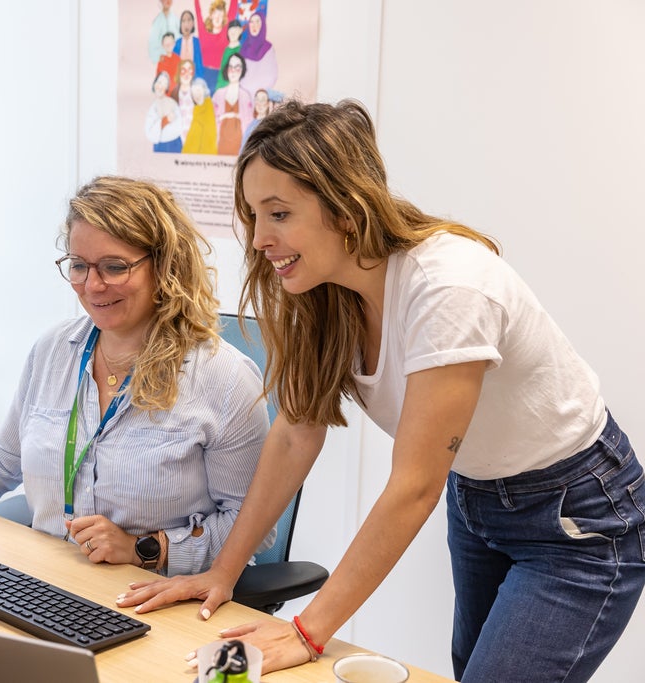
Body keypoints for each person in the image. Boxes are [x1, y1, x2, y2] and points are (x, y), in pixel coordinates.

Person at [116, 100, 645, 681]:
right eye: (252, 213)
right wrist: (222, 572)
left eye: (279, 213)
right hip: (477, 501)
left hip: (576, 518)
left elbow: (415, 485)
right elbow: (295, 434)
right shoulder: (322, 291)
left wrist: (307, 630)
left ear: (345, 209)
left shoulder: (449, 288)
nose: (260, 238)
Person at [0, 176, 274, 578]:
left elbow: (252, 527)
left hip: (154, 597)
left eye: (114, 266)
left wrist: (146, 547)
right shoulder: (55, 351)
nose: (93, 285)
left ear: (165, 267)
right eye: (79, 266)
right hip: (47, 580)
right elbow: (1, 459)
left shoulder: (224, 379)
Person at [212, 53, 252, 155]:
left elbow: (249, 124)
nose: (233, 71)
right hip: (221, 142)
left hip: (240, 145)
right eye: (231, 67)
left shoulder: (246, 96)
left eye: (237, 67)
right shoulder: (218, 94)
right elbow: (212, 120)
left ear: (242, 70)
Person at [238, 11, 278, 97]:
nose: (254, 25)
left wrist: (257, 94)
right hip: (243, 96)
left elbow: (271, 77)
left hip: (260, 98)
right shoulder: (244, 47)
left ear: (262, 25)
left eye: (257, 21)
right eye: (251, 22)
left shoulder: (268, 48)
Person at [145, 71, 183, 153]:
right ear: (154, 84)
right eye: (159, 82)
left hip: (172, 145)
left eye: (165, 84)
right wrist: (164, 121)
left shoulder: (172, 104)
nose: (161, 86)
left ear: (167, 88)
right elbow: (149, 133)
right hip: (158, 145)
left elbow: (178, 126)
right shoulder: (153, 107)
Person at [182, 78, 218, 155]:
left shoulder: (208, 109)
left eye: (198, 90)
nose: (196, 95)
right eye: (193, 92)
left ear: (204, 91)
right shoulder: (196, 109)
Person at [148, 0, 180, 65]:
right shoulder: (157, 21)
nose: (168, 1)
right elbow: (152, 43)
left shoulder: (176, 19)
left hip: (176, 58)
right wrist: (157, 57)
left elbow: (181, 40)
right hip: (163, 60)